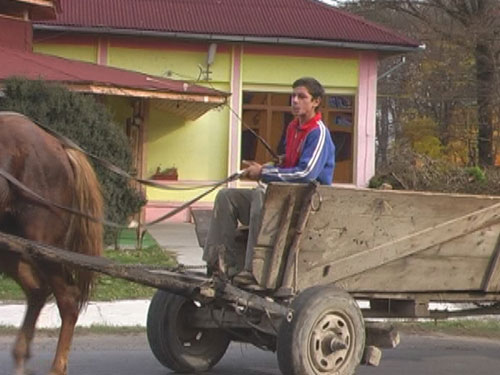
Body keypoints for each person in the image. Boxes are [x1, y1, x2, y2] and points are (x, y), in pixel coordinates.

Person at [203, 77, 335, 285]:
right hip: (285, 197)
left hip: (307, 203)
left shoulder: (318, 132)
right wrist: (264, 168)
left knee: (260, 194)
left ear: (316, 102)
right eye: (293, 96)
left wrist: (263, 174)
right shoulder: (292, 129)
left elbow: (306, 174)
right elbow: (287, 166)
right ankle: (220, 264)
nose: (295, 101)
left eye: (302, 97)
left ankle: (253, 269)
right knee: (227, 197)